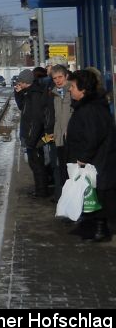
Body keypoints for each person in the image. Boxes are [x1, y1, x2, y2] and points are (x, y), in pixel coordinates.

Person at [65, 69, 116, 242]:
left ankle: (101, 230)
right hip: (97, 161)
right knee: (95, 195)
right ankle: (97, 227)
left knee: (97, 195)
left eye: (72, 86)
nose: (69, 89)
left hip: (96, 162)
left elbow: (93, 137)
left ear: (84, 89)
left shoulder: (89, 109)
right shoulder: (91, 106)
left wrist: (82, 158)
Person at [14, 68, 51, 198]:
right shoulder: (29, 93)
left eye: (20, 81)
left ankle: (42, 191)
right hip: (31, 135)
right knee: (34, 163)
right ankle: (40, 189)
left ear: (25, 81)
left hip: (34, 136)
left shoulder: (34, 95)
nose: (18, 83)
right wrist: (18, 93)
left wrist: (31, 139)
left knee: (37, 164)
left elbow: (36, 119)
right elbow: (22, 107)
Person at [45, 64, 72, 201]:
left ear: (66, 76)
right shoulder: (54, 93)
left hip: (71, 140)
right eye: (55, 78)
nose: (58, 80)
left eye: (60, 77)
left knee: (71, 174)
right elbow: (53, 117)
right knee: (61, 171)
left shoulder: (72, 91)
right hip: (59, 139)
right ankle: (64, 201)